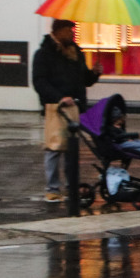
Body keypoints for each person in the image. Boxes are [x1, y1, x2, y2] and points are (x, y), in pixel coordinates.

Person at [32, 19, 101, 202]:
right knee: (54, 148)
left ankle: (71, 186)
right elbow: (39, 81)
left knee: (72, 150)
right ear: (58, 31)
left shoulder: (76, 52)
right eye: (69, 31)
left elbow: (84, 80)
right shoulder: (44, 54)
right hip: (56, 107)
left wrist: (94, 73)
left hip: (75, 107)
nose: (72, 34)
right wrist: (58, 98)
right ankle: (52, 188)